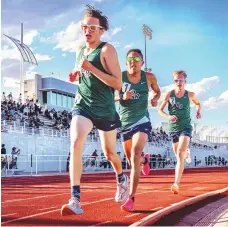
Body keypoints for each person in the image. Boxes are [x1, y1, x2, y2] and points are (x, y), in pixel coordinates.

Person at [61, 5, 129, 216]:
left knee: (109, 153)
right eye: (84, 27)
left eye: (92, 27)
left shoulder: (107, 50)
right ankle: (75, 199)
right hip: (83, 105)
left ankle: (121, 177)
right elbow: (79, 71)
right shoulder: (80, 51)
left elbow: (117, 84)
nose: (87, 31)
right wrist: (74, 74)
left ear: (101, 30)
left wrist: (92, 69)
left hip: (105, 109)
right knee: (75, 143)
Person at [115, 49, 161, 211]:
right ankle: (145, 160)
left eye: (136, 59)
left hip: (142, 120)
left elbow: (157, 91)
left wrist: (155, 98)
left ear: (142, 62)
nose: (133, 62)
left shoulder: (149, 77)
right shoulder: (119, 76)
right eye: (130, 59)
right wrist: (122, 97)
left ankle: (131, 198)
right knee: (131, 160)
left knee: (135, 153)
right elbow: (110, 95)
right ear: (126, 62)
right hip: (124, 123)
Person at [158, 70, 201, 194]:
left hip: (186, 127)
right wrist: (168, 117)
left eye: (181, 80)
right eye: (176, 80)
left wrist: (198, 110)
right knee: (178, 155)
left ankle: (176, 183)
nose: (178, 82)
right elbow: (160, 111)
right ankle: (186, 151)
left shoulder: (190, 94)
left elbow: (198, 103)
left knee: (180, 153)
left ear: (185, 82)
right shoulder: (169, 94)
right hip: (173, 129)